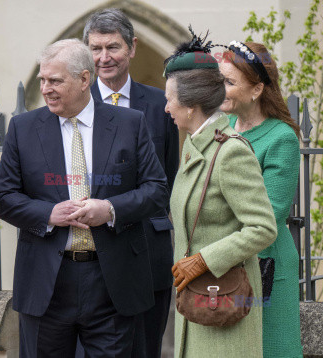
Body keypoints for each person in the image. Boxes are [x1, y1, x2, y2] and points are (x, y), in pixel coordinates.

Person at [0, 38, 169, 357]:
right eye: (43, 80)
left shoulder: (129, 124)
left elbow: (156, 190)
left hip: (113, 281)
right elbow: (2, 197)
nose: (46, 89)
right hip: (47, 283)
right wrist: (47, 214)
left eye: (55, 80)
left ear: (84, 79)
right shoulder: (23, 128)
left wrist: (110, 209)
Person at [164, 31, 277, 357]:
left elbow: (263, 227)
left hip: (224, 304)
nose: (166, 107)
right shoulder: (195, 147)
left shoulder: (230, 153)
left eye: (170, 98)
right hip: (198, 306)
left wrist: (203, 260)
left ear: (191, 105)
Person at [83, 9, 179, 357]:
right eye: (95, 49)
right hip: (91, 252)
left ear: (132, 48)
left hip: (146, 250)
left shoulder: (160, 105)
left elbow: (167, 176)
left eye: (113, 47)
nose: (103, 58)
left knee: (145, 348)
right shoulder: (77, 104)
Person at [220, 41, 303, 358]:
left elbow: (270, 212)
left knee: (269, 348)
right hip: (227, 259)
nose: (220, 89)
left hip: (266, 264)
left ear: (256, 90)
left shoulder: (280, 137)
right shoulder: (223, 128)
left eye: (229, 82)